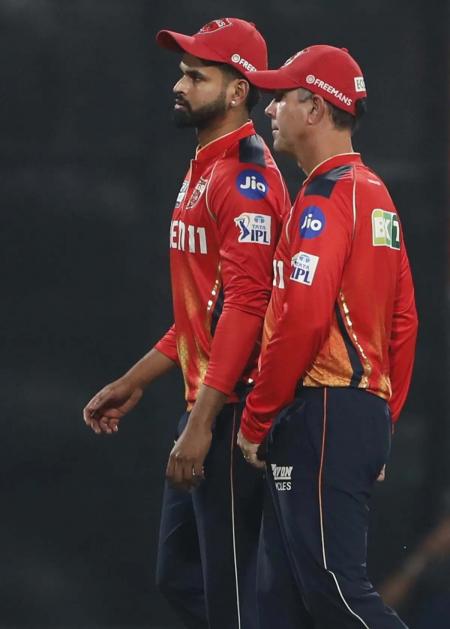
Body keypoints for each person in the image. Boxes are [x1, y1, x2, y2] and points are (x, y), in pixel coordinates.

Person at [83, 17, 290, 629]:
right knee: (179, 577)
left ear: (238, 91)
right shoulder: (205, 165)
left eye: (197, 76)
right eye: (181, 72)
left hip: (235, 410)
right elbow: (205, 313)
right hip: (207, 403)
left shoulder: (246, 178)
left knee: (232, 596)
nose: (179, 85)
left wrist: (202, 424)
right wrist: (135, 380)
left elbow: (247, 308)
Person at [237, 45, 418, 628]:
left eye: (281, 98)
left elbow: (305, 318)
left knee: (335, 592)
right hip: (347, 416)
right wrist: (383, 419)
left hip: (321, 413)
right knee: (281, 604)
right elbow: (404, 321)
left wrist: (257, 417)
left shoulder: (325, 197)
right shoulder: (375, 193)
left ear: (315, 108)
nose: (269, 110)